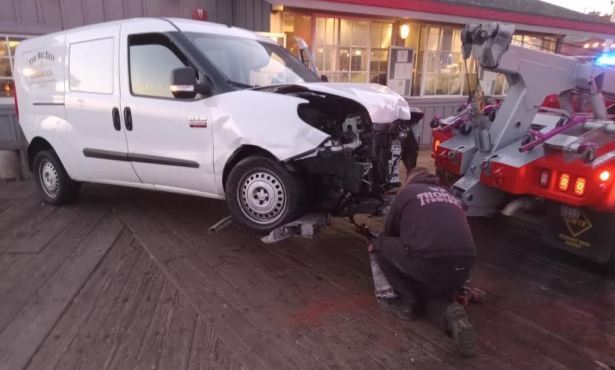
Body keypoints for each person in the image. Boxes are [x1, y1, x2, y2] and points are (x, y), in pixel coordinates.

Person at [369, 134, 477, 357]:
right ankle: (451, 315)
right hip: (464, 267)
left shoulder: (408, 193)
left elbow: (390, 234)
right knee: (432, 295)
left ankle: (405, 302)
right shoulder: (449, 195)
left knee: (379, 245)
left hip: (428, 262)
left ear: (410, 180)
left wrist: (377, 242)